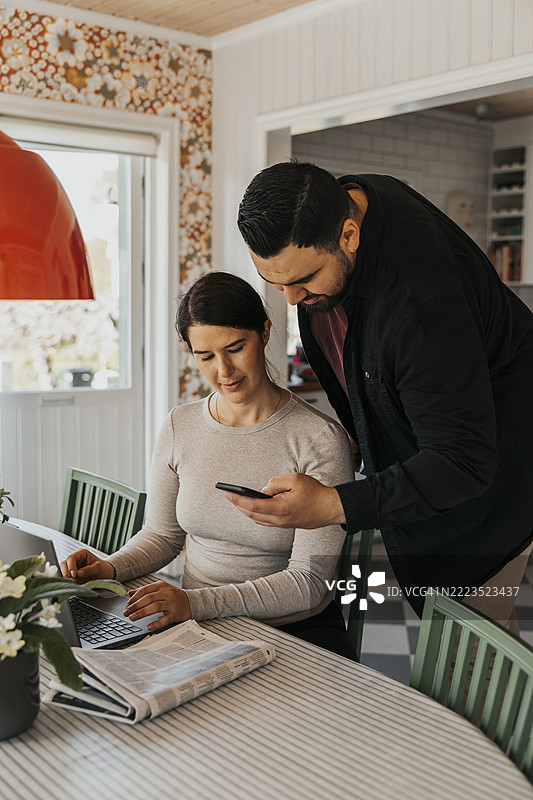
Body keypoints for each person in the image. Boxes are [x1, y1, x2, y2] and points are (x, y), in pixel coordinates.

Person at [234, 160, 533, 630]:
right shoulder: (348, 198)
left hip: (495, 483)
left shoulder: (423, 307)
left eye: (303, 279)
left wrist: (334, 505)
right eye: (275, 282)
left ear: (349, 236)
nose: (291, 299)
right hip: (447, 459)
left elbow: (464, 462)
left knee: (467, 652)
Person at [60, 271, 356, 658]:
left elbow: (310, 584)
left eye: (235, 347)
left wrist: (196, 603)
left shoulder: (319, 440)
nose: (224, 371)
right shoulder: (179, 426)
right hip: (197, 628)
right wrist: (108, 569)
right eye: (205, 356)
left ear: (264, 332)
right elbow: (162, 536)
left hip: (294, 633)